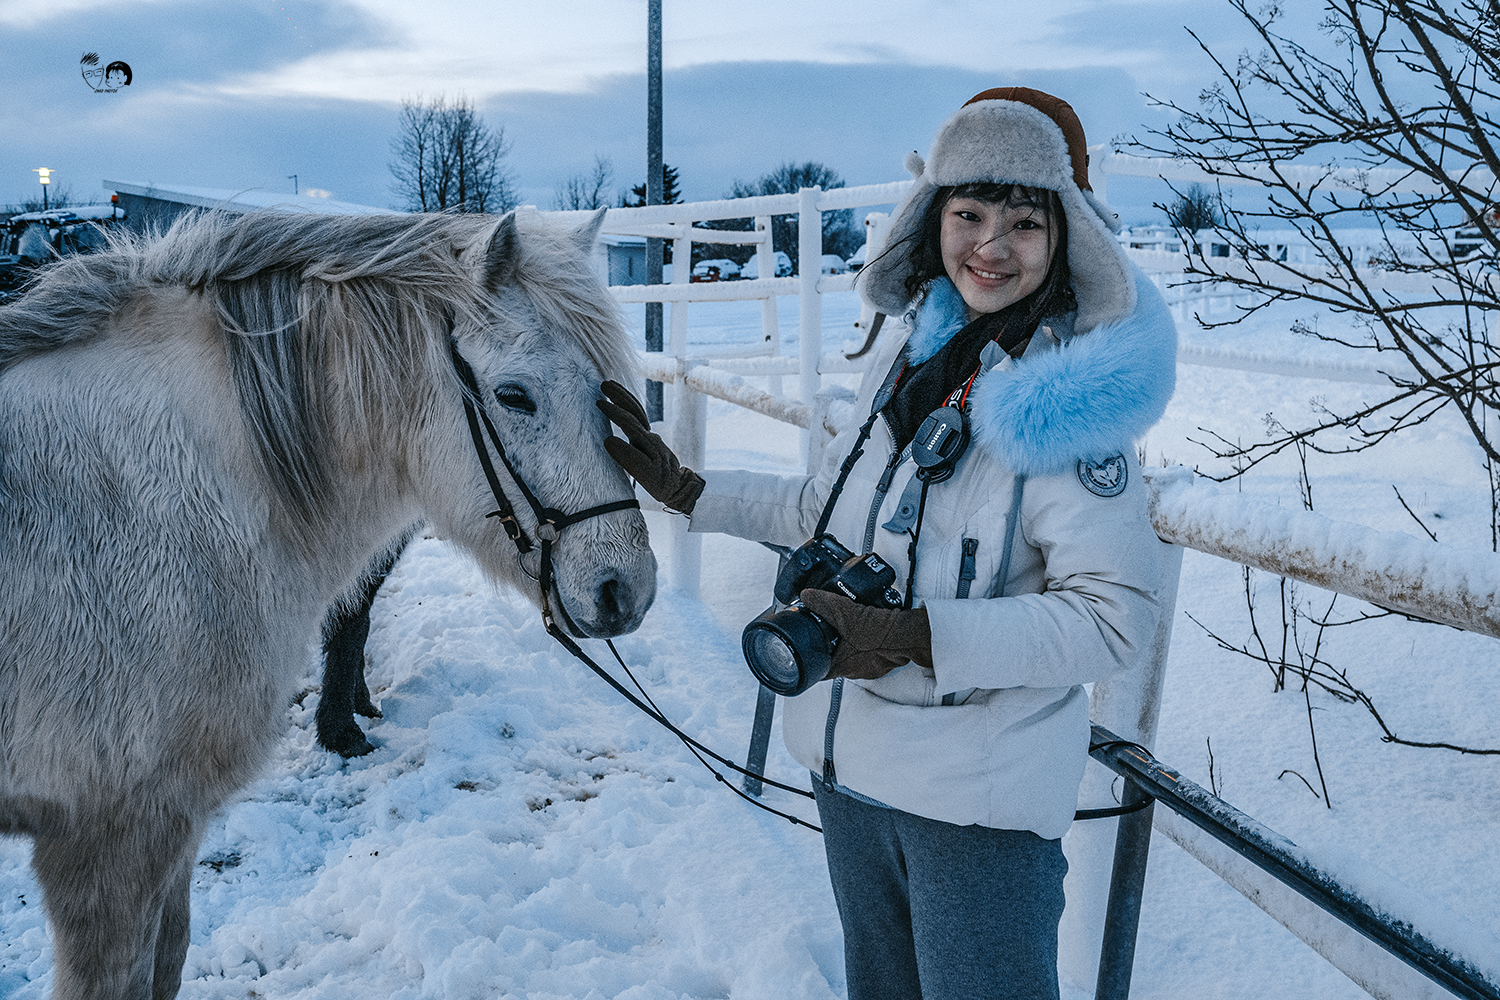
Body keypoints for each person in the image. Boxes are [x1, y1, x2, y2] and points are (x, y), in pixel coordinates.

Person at [598, 87, 1178, 1000]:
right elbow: (826, 513)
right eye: (970, 213)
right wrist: (689, 488)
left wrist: (916, 638)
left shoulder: (1069, 410)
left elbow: (1113, 623)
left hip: (975, 812)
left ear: (1068, 235)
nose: (990, 246)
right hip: (850, 772)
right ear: (933, 219)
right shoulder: (915, 357)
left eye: (1025, 222)